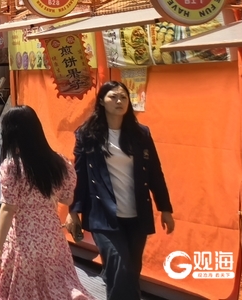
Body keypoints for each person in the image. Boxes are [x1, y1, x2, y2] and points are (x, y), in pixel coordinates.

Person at [67, 82, 173, 300]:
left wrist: (165, 208)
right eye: (113, 97)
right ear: (101, 101)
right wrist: (73, 211)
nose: (119, 101)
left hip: (137, 214)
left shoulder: (141, 134)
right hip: (102, 213)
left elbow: (155, 172)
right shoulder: (87, 134)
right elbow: (79, 176)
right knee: (121, 264)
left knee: (130, 270)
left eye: (123, 97)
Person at [0, 106, 90, 300]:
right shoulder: (60, 162)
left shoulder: (12, 166)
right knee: (56, 286)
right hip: (52, 238)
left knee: (24, 292)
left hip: (23, 240)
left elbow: (8, 208)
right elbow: (67, 198)